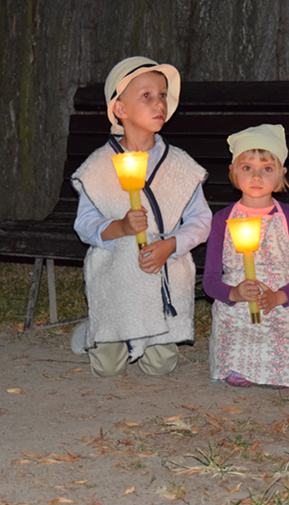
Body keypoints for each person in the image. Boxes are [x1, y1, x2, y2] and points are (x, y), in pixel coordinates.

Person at [70, 56, 212, 377]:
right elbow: (85, 225)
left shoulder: (180, 165)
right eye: (146, 95)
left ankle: (147, 337)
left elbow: (200, 221)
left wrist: (171, 245)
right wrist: (119, 227)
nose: (159, 103)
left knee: (161, 366)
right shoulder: (99, 166)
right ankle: (96, 329)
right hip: (117, 278)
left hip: (161, 275)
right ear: (120, 109)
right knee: (107, 369)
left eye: (162, 95)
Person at [203, 124, 289, 388]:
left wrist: (279, 297)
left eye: (266, 169)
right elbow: (209, 280)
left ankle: (279, 370)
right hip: (236, 308)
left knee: (283, 345)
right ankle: (235, 366)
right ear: (233, 171)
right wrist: (234, 293)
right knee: (235, 339)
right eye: (247, 168)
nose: (256, 177)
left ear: (280, 174)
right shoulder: (222, 220)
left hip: (279, 305)